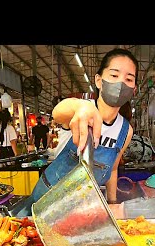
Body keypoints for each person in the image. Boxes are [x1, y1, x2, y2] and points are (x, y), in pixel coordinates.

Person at [17, 48, 137, 215]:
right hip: (46, 200)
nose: (120, 83)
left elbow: (113, 169)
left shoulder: (125, 131)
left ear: (133, 89)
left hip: (80, 209)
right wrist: (80, 106)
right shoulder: (81, 110)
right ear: (99, 80)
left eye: (128, 79)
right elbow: (58, 112)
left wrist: (112, 202)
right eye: (114, 75)